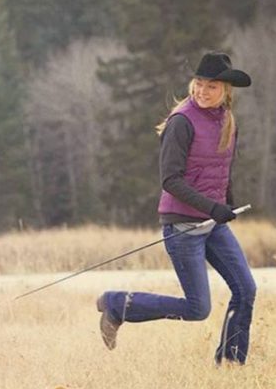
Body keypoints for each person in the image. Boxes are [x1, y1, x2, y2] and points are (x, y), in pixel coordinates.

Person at [97, 52, 256, 365]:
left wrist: (227, 203)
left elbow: (223, 168)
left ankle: (231, 363)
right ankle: (116, 304)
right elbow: (170, 180)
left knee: (245, 289)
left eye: (211, 86)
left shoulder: (227, 120)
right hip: (183, 227)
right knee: (198, 309)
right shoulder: (182, 121)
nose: (202, 91)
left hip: (213, 222)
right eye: (199, 83)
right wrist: (213, 207)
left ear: (226, 90)